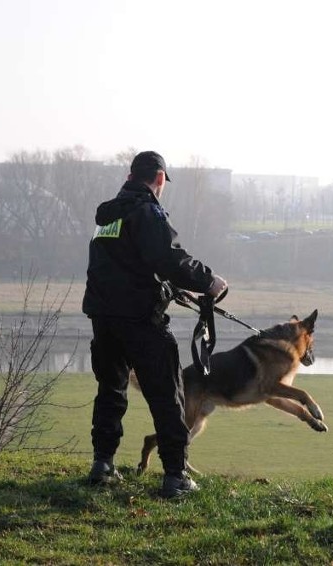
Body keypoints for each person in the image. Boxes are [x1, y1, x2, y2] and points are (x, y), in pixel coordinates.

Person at [82, 151, 228, 498]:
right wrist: (209, 282)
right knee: (166, 395)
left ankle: (103, 464)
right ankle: (175, 477)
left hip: (104, 317)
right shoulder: (147, 212)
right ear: (159, 178)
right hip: (140, 320)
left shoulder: (107, 216)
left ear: (130, 174)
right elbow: (168, 258)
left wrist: (165, 288)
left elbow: (126, 263)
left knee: (111, 390)